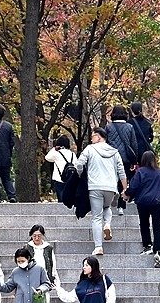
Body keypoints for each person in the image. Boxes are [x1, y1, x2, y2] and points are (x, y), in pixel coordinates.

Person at [75, 127, 127, 255]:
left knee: (96, 217)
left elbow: (79, 164)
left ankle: (98, 246)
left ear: (99, 137)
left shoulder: (89, 149)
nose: (91, 139)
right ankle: (107, 224)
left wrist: (80, 174)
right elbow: (121, 172)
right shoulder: (115, 152)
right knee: (107, 207)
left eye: (93, 136)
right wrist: (125, 189)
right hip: (110, 187)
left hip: (95, 186)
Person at [126, 150, 160, 267]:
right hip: (159, 202)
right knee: (158, 227)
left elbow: (134, 186)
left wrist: (127, 193)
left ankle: (147, 245)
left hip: (144, 202)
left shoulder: (140, 172)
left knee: (144, 224)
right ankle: (158, 249)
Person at [105, 106, 138, 215]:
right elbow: (134, 144)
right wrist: (134, 161)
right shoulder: (130, 127)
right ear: (125, 114)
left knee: (113, 180)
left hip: (111, 158)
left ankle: (112, 198)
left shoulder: (108, 127)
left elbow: (105, 143)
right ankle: (121, 206)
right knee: (124, 181)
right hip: (126, 158)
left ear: (113, 114)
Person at [44, 134, 76, 202]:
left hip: (59, 178)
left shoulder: (57, 153)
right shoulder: (72, 154)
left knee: (61, 200)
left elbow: (47, 158)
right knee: (70, 199)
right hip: (70, 178)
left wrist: (54, 149)